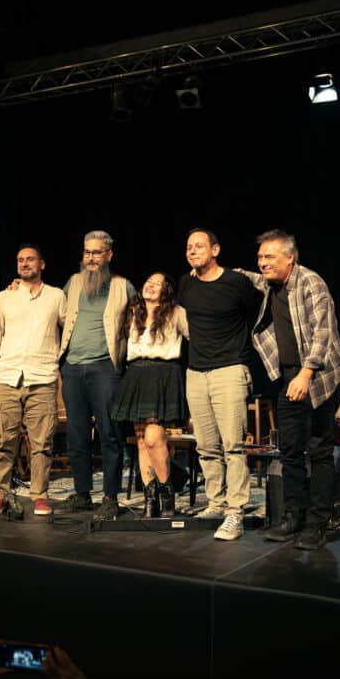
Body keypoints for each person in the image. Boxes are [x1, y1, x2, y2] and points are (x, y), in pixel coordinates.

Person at [237, 229, 340, 550]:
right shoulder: (270, 283)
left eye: (269, 257)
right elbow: (249, 278)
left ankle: (317, 523)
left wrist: (306, 373)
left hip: (319, 375)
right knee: (290, 451)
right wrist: (212, 269)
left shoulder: (311, 283)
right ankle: (293, 517)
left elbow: (323, 332)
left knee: (319, 449)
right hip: (289, 377)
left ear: (290, 258)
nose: (263, 263)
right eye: (260, 257)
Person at [178, 229, 258, 540]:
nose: (192, 251)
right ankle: (216, 502)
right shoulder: (187, 284)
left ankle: (236, 512)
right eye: (189, 247)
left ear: (215, 250)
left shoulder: (236, 283)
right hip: (196, 372)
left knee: (233, 446)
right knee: (206, 446)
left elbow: (255, 314)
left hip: (229, 369)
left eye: (199, 246)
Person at [0, 244, 67, 517]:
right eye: (21, 260)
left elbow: (69, 330)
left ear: (42, 264)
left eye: (30, 259)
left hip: (42, 378)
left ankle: (40, 495)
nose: (25, 263)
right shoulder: (5, 297)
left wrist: (58, 362)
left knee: (42, 444)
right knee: (3, 442)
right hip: (8, 377)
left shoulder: (56, 296)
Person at [59, 231, 135, 520]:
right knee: (76, 434)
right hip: (72, 367)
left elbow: (140, 320)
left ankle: (110, 496)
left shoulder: (122, 286)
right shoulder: (73, 282)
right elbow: (57, 313)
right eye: (87, 252)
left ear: (109, 255)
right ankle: (82, 493)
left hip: (105, 367)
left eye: (97, 252)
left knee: (109, 434)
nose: (91, 258)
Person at [112, 272, 189, 517]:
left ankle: (167, 496)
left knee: (154, 438)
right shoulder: (133, 312)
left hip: (163, 374)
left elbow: (196, 337)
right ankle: (150, 499)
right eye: (148, 282)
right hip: (136, 374)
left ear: (166, 290)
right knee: (142, 442)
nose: (151, 286)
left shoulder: (176, 312)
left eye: (158, 283)